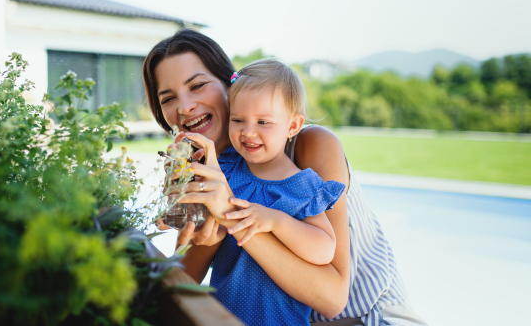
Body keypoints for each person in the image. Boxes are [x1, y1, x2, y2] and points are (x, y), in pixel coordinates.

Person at [142, 29, 428, 326]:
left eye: (198, 85)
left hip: (369, 316)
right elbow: (180, 284)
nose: (185, 106)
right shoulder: (210, 170)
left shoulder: (310, 146)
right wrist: (195, 221)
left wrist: (229, 213)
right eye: (168, 98)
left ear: (231, 84)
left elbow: (332, 299)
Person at [206, 59, 346, 326]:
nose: (248, 132)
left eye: (263, 122)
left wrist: (277, 221)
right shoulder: (226, 169)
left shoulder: (301, 186)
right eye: (238, 119)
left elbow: (324, 249)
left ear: (292, 126)